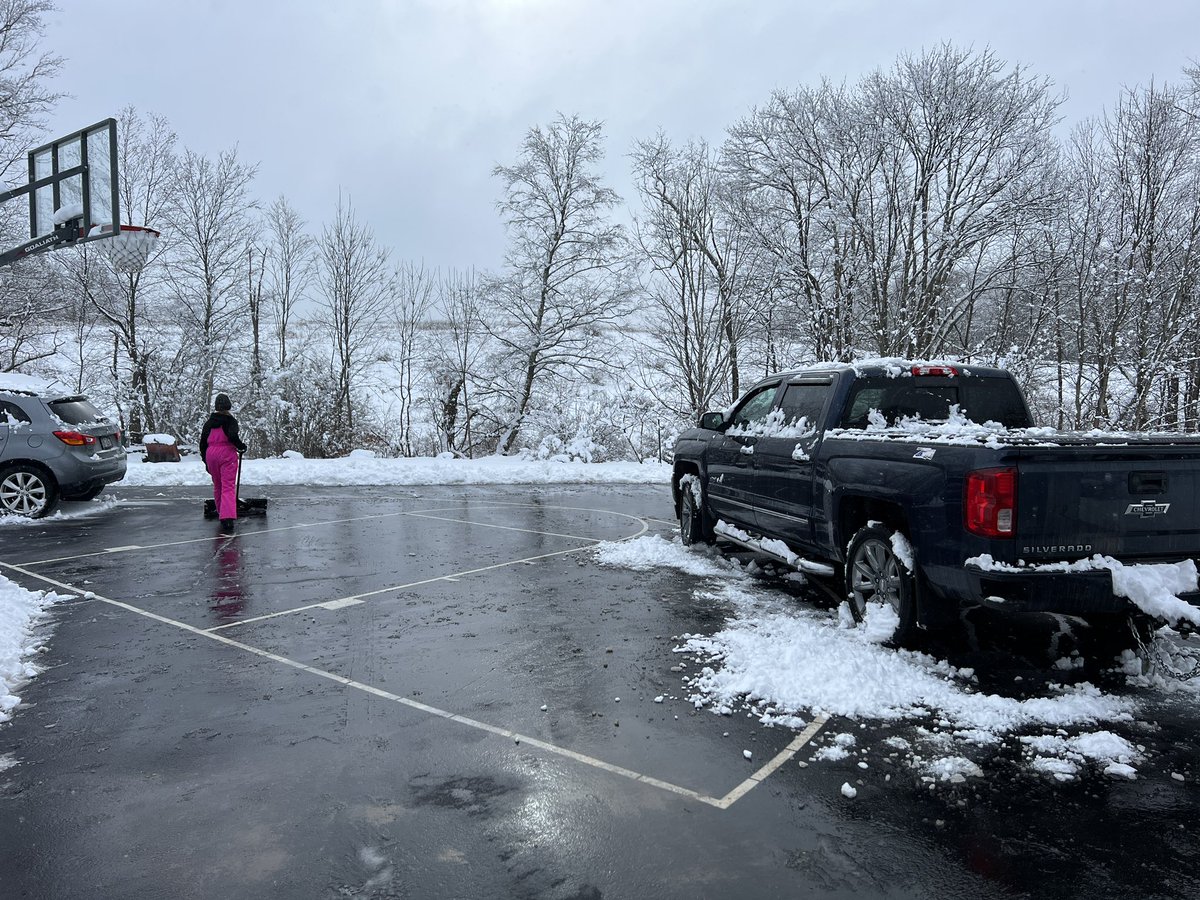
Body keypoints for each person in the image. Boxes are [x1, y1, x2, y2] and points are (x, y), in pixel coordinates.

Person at [200, 393, 248, 532]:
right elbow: (232, 436)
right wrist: (241, 446)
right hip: (226, 454)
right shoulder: (230, 421)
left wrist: (205, 460)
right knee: (228, 486)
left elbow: (203, 443)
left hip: (211, 454)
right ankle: (227, 518)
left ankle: (221, 512)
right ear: (228, 406)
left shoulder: (209, 423)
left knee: (218, 486)